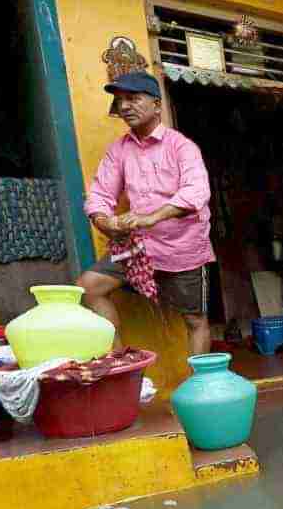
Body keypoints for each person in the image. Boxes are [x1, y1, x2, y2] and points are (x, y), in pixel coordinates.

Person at [78, 72, 215, 355]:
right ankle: (119, 365)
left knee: (195, 319)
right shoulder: (118, 150)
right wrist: (105, 223)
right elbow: (100, 195)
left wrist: (152, 217)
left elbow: (196, 192)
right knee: (88, 287)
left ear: (156, 104)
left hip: (182, 248)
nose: (125, 106)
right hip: (137, 247)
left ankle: (199, 387)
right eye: (120, 101)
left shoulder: (182, 147)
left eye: (133, 98)